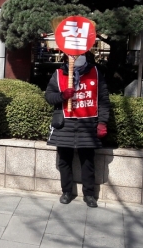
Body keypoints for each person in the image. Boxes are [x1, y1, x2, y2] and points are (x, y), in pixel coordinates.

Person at [44, 53, 110, 208]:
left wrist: (102, 122)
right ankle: (66, 191)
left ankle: (89, 194)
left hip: (87, 123)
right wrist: (62, 95)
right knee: (64, 160)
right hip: (65, 124)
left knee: (87, 161)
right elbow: (48, 96)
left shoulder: (95, 73)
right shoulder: (59, 74)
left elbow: (104, 100)